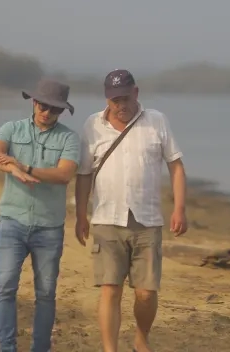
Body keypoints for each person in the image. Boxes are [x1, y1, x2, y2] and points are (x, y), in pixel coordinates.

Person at [74, 69, 187, 352]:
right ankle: (110, 349)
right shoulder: (92, 125)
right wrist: (80, 216)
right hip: (107, 219)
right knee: (110, 289)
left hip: (147, 220)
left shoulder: (156, 121)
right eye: (114, 101)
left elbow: (175, 165)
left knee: (146, 293)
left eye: (125, 98)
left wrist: (179, 209)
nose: (120, 106)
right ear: (106, 99)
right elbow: (84, 174)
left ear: (136, 93)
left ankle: (141, 338)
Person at [0, 78, 81, 352]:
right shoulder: (11, 128)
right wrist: (11, 169)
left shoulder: (69, 138)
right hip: (11, 222)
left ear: (61, 111)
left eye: (54, 108)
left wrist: (24, 166)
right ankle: (7, 348)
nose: (47, 112)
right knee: (5, 287)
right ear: (33, 101)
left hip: (49, 227)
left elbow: (64, 174)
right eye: (42, 104)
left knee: (46, 294)